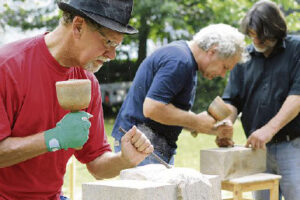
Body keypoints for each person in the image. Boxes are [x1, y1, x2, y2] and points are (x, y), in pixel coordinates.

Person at [0, 0, 154, 199]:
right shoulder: (8, 67)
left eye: (117, 45)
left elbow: (97, 164)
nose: (113, 55)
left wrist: (124, 159)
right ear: (78, 26)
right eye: (109, 42)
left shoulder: (87, 83)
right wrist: (53, 138)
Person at [111, 23, 248, 166]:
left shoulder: (186, 61)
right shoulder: (179, 60)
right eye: (224, 67)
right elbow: (152, 108)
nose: (222, 74)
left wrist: (214, 129)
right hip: (141, 148)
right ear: (212, 51)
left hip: (151, 148)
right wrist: (196, 121)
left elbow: (170, 116)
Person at [217, 1, 300, 200]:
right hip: (257, 150)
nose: (256, 41)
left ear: (276, 30)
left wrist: (269, 130)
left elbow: (297, 96)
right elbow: (232, 99)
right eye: (252, 35)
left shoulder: (296, 49)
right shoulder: (243, 57)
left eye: (261, 37)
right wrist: (226, 122)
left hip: (292, 146)